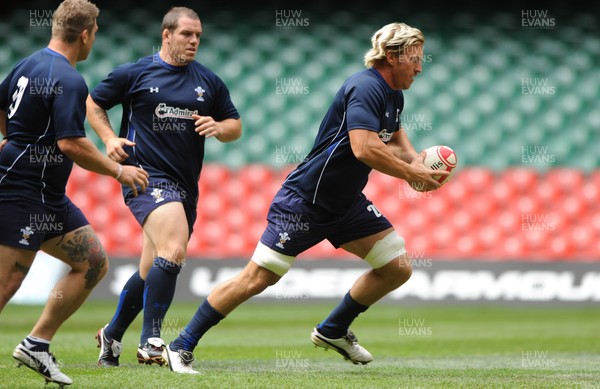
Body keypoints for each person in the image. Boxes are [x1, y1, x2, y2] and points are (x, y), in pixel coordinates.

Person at [164, 22, 450, 374]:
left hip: (345, 202)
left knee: (396, 267)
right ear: (392, 56)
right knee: (257, 278)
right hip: (306, 201)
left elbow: (392, 135)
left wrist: (415, 160)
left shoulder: (393, 94)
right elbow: (364, 148)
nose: (420, 67)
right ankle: (181, 345)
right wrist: (411, 174)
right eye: (415, 59)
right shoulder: (365, 87)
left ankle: (333, 329)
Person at [0, 0, 149, 386]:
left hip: (48, 195)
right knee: (6, 284)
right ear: (85, 35)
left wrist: (11, 139)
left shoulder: (27, 63)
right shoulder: (69, 80)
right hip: (21, 192)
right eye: (95, 33)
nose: (93, 40)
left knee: (94, 263)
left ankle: (36, 344)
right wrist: (118, 169)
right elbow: (71, 144)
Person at [86, 6, 242, 367]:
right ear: (166, 34)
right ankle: (151, 341)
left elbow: (235, 125)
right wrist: (109, 138)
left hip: (185, 185)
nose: (194, 41)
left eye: (199, 36)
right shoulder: (135, 72)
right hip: (144, 176)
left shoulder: (208, 81)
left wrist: (219, 128)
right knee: (173, 250)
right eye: (187, 34)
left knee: (150, 269)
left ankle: (111, 334)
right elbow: (93, 102)